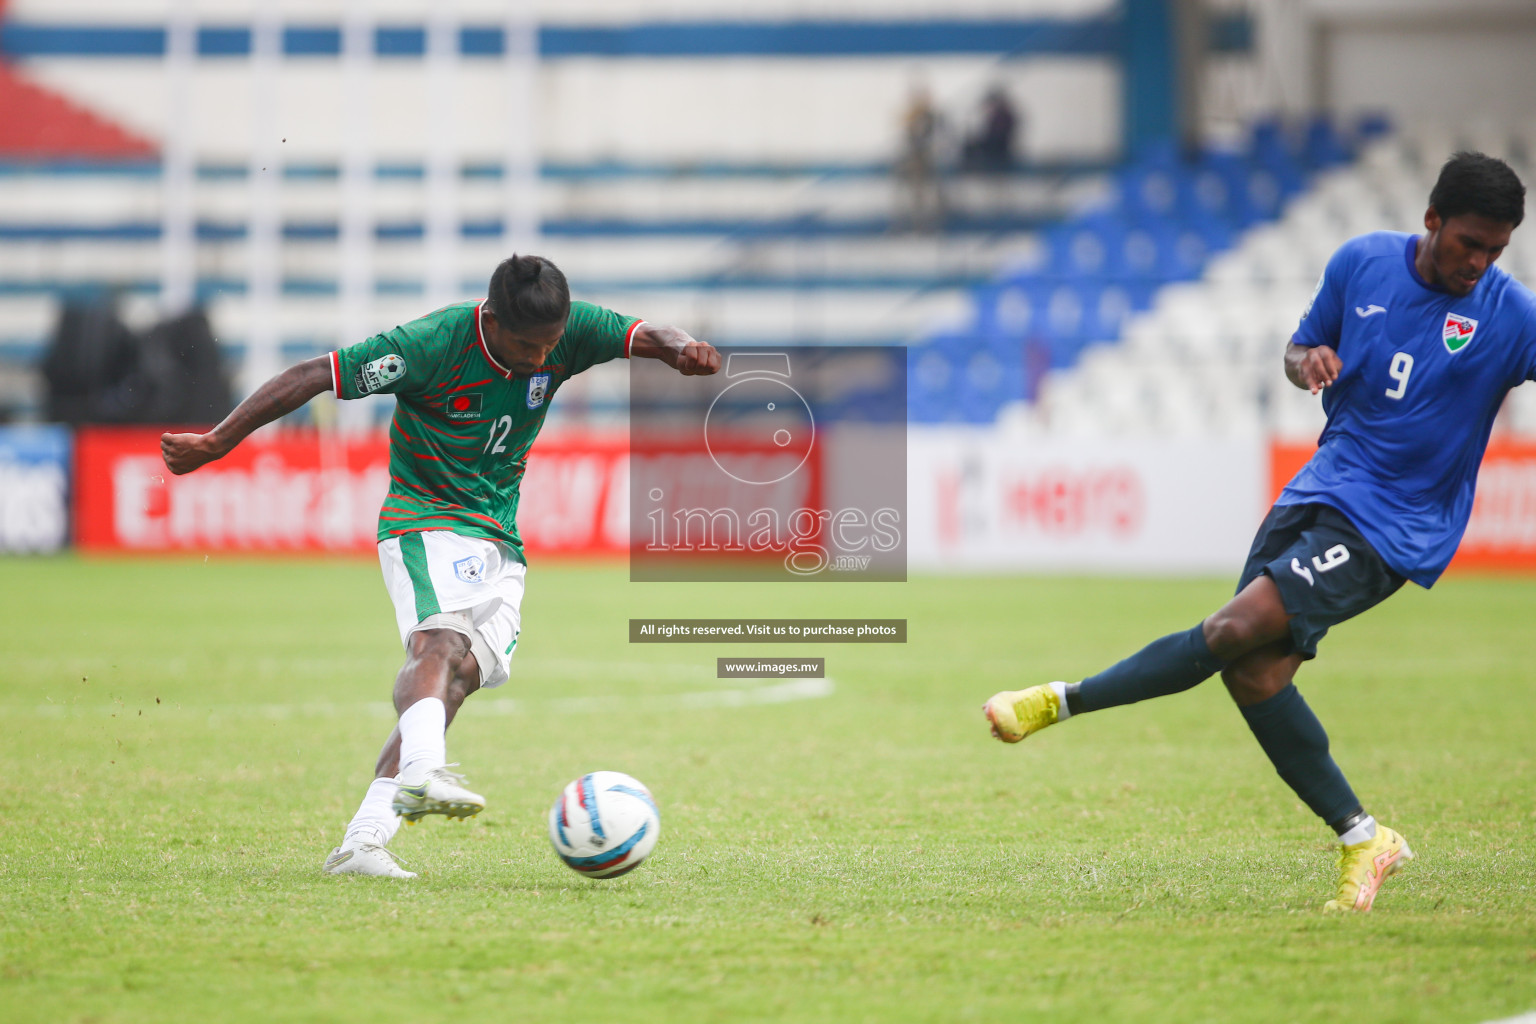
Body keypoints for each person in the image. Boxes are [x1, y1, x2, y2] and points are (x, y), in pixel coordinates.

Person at [983, 151, 1532, 913]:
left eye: (1496, 249)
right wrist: (1309, 361)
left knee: (1231, 626)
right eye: (1471, 242)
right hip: (1319, 489)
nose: (1481, 262)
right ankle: (1363, 839)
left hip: (1394, 527)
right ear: (1433, 219)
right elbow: (1296, 348)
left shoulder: (1510, 314)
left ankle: (1059, 700)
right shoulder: (1362, 262)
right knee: (1254, 673)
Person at [162, 255, 720, 878]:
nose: (542, 360)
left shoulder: (566, 330)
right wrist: (217, 441)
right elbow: (317, 373)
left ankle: (361, 843)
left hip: (500, 539)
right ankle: (424, 773)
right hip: (423, 519)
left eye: (552, 346)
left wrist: (682, 348)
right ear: (494, 320)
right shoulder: (431, 343)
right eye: (528, 346)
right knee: (437, 642)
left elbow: (644, 334)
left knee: (457, 679)